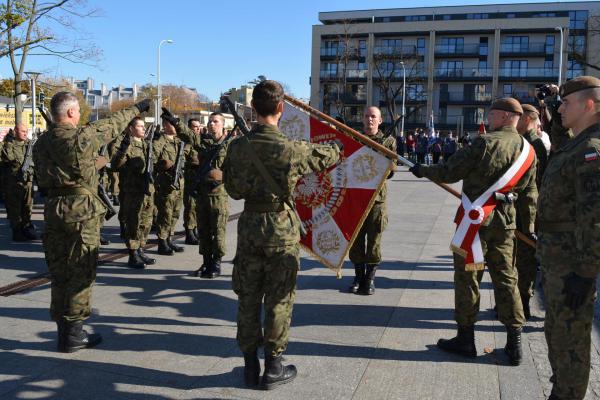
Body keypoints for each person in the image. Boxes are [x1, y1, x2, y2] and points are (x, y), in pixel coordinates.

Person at [222, 80, 340, 389]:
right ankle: (273, 367)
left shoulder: (237, 147)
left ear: (254, 110)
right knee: (279, 299)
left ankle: (249, 366)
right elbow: (325, 158)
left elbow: (232, 189)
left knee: (248, 298)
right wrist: (338, 148)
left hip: (249, 228)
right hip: (281, 230)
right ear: (280, 109)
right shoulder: (291, 148)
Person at [409, 98, 537, 366]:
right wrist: (531, 227)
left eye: (491, 115)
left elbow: (449, 171)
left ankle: (466, 339)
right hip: (506, 225)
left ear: (503, 116)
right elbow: (529, 194)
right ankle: (514, 344)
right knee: (506, 280)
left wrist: (422, 170)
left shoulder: (484, 142)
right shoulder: (529, 150)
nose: (488, 120)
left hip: (475, 224)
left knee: (468, 278)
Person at [32, 91, 151, 352]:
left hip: (53, 210)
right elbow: (112, 124)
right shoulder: (80, 137)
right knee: (81, 271)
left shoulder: (40, 143)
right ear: (72, 112)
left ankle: (64, 331)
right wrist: (137, 108)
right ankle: (74, 334)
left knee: (59, 272)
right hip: (81, 211)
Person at [537, 76, 600, 400]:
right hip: (558, 260)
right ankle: (561, 389)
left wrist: (586, 273)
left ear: (589, 105)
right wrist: (549, 103)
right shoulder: (579, 141)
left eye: (565, 103)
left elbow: (595, 218)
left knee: (571, 339)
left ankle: (568, 394)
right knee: (557, 333)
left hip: (573, 264)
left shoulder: (592, 150)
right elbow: (558, 140)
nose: (559, 108)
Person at [348, 106, 396, 295]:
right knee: (356, 241)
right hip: (357, 197)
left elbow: (391, 170)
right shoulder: (354, 137)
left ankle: (370, 278)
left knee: (374, 239)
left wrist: (379, 154)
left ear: (380, 120)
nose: (369, 119)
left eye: (373, 117)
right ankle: (358, 277)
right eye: (367, 116)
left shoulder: (389, 141)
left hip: (377, 199)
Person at [515, 103, 548, 319]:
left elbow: (537, 180)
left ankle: (524, 302)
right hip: (517, 207)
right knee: (516, 256)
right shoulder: (523, 141)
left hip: (527, 209)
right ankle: (515, 301)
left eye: (518, 117)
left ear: (527, 119)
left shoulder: (534, 144)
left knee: (525, 256)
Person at [111, 117, 158, 269]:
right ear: (131, 128)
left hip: (147, 190)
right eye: (140, 126)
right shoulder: (125, 145)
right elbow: (116, 165)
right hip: (132, 190)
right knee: (133, 222)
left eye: (144, 126)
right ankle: (133, 253)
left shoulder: (146, 145)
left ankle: (140, 249)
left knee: (146, 221)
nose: (144, 129)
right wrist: (124, 148)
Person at [154, 114, 190, 255]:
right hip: (165, 184)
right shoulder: (159, 142)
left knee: (175, 213)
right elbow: (153, 161)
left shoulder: (178, 141)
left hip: (179, 184)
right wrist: (165, 164)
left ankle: (169, 239)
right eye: (172, 124)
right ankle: (162, 242)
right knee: (165, 214)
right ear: (165, 125)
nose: (175, 126)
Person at [1, 123, 37, 241]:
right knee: (14, 209)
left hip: (28, 182)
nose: (25, 133)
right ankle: (17, 231)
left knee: (27, 207)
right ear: (15, 131)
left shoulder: (30, 145)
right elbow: (8, 159)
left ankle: (25, 229)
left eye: (26, 131)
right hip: (13, 183)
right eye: (22, 131)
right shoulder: (7, 145)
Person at [182, 118, 202, 245]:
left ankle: (195, 230)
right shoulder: (188, 143)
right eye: (195, 127)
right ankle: (189, 233)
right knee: (190, 206)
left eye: (199, 126)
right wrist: (192, 162)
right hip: (190, 178)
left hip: (200, 179)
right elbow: (181, 158)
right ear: (189, 128)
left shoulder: (202, 141)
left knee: (197, 207)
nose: (198, 129)